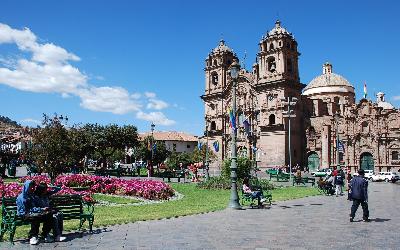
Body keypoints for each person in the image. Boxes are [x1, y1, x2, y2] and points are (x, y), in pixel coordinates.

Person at [16, 180, 53, 245]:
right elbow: (25, 210)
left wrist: (42, 210)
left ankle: (45, 234)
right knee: (35, 217)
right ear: (27, 187)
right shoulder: (22, 197)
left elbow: (33, 208)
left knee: (49, 215)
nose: (33, 188)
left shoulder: (32, 196)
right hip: (24, 214)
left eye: (33, 186)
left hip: (32, 213)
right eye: (31, 186)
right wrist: (39, 210)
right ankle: (33, 236)